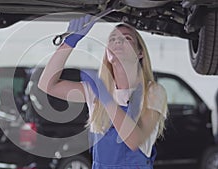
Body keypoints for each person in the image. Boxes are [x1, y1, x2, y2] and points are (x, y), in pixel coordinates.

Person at [38, 15, 168, 169]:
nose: (117, 41)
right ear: (107, 52)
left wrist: (106, 99)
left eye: (127, 38)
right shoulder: (96, 91)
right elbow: (47, 84)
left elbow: (134, 140)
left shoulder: (153, 92)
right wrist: (69, 42)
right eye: (112, 39)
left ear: (140, 53)